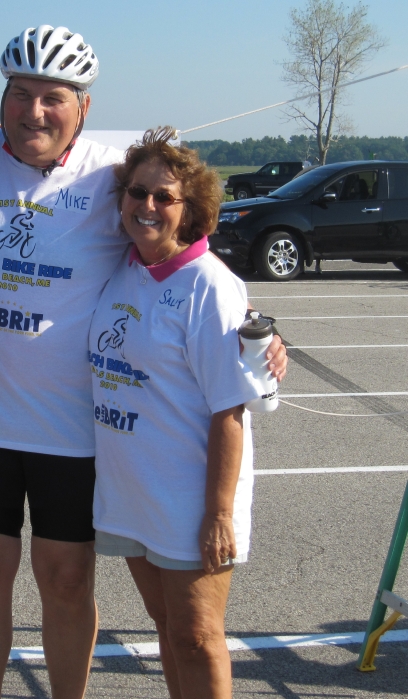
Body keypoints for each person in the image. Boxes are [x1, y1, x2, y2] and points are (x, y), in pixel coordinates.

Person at [0, 26, 288, 699]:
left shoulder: (111, 174)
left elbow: (185, 237)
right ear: (0, 98)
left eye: (53, 97)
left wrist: (258, 332)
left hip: (72, 428)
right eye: (20, 93)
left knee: (65, 581)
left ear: (83, 107)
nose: (34, 111)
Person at [91, 127, 263, 699]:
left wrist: (219, 514)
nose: (147, 206)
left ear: (191, 209)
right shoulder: (123, 267)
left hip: (190, 497)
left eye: (164, 197)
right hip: (132, 489)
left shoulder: (209, 284)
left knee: (198, 636)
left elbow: (229, 411)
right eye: (137, 192)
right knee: (168, 629)